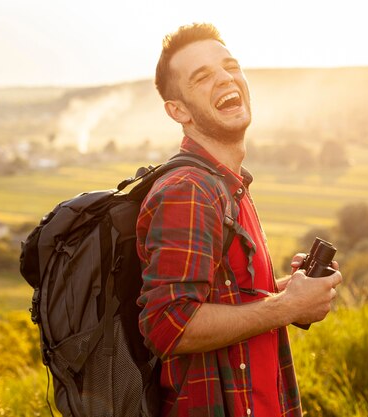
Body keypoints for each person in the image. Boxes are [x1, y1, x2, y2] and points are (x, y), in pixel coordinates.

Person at [136, 23, 342, 417]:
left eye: (230, 66)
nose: (225, 78)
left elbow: (222, 301)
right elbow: (167, 325)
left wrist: (288, 292)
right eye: (202, 76)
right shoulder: (190, 190)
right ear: (178, 110)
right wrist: (286, 308)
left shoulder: (230, 185)